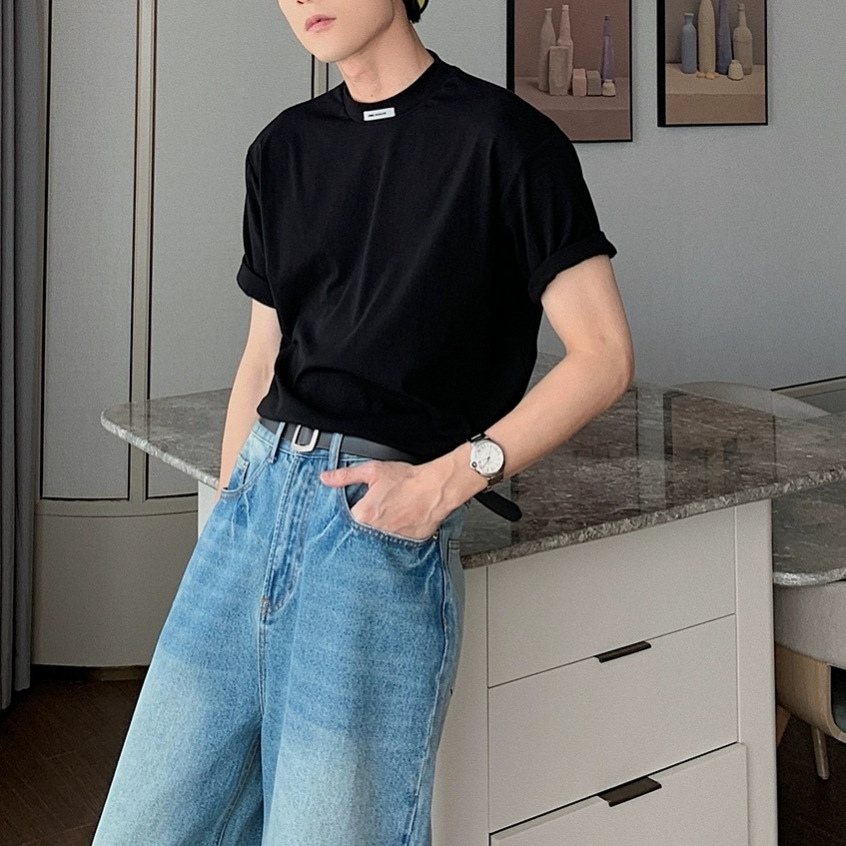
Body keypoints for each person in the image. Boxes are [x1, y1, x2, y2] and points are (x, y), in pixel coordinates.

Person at [92, 0, 634, 843]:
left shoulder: (506, 140)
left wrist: (448, 482)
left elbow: (603, 356)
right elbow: (261, 357)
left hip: (371, 532)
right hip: (253, 510)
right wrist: (233, 506)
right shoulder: (282, 149)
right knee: (143, 825)